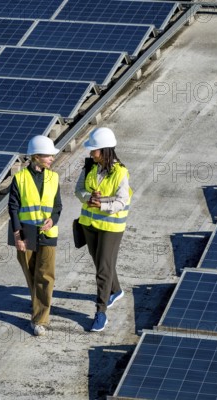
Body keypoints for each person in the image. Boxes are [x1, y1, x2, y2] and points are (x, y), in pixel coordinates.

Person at [74, 127, 132, 332]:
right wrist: (88, 198)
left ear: (105, 150)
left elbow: (123, 201)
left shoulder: (120, 172)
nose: (91, 153)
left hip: (110, 227)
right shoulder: (89, 166)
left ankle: (101, 312)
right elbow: (78, 189)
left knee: (102, 270)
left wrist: (103, 205)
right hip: (89, 225)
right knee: (101, 263)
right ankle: (115, 290)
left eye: (94, 150)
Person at [8, 135, 62, 336]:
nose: (51, 159)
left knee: (46, 275)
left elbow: (57, 206)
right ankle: (37, 303)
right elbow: (13, 208)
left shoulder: (54, 177)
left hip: (48, 233)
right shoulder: (20, 178)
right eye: (48, 155)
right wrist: (17, 235)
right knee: (31, 273)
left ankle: (40, 319)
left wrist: (53, 220)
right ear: (36, 156)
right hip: (26, 234)